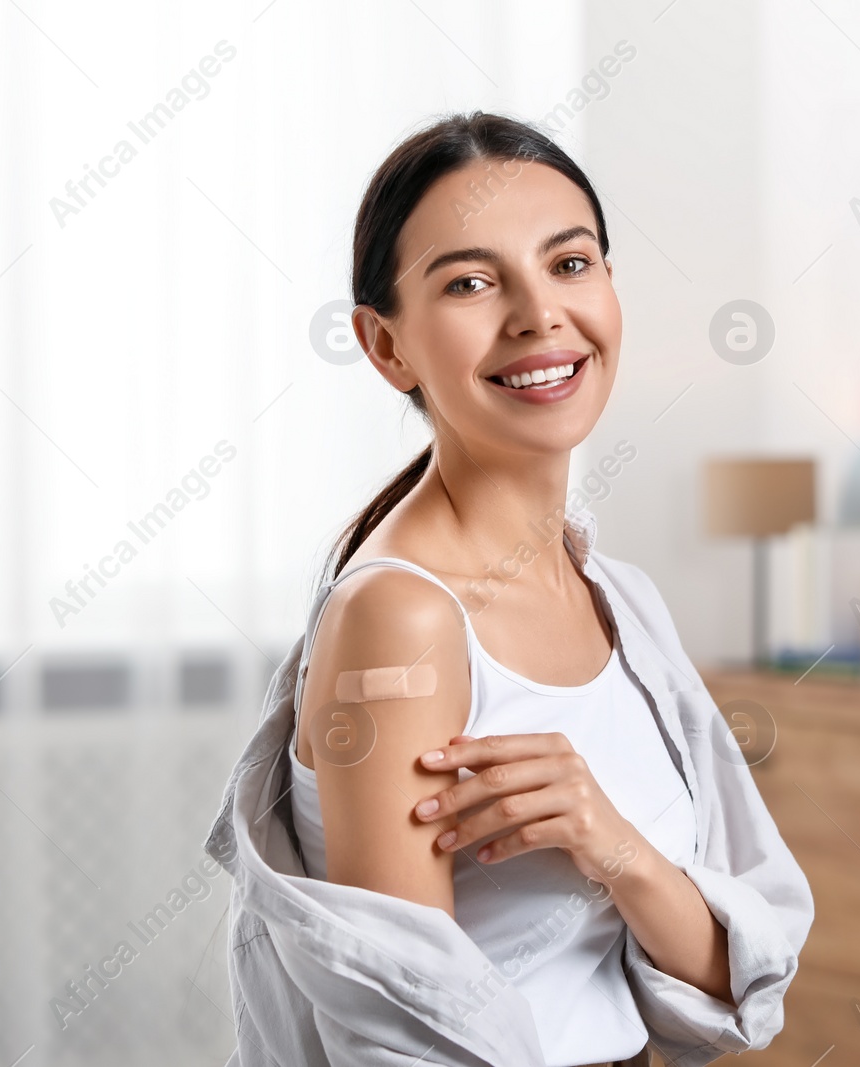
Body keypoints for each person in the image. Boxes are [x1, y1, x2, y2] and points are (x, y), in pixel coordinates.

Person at [205, 111, 813, 1067]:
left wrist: (608, 842)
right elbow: (411, 1037)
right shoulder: (399, 621)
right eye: (471, 283)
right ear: (386, 346)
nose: (538, 314)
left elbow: (735, 982)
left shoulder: (619, 597)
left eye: (570, 264)